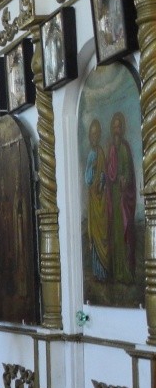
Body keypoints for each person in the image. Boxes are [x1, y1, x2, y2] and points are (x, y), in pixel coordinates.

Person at [104, 111, 137, 283]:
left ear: (122, 128)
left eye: (119, 126)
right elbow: (109, 172)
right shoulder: (111, 148)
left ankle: (126, 271)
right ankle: (116, 272)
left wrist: (126, 178)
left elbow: (129, 172)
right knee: (116, 235)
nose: (117, 129)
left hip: (123, 198)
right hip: (114, 198)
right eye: (114, 127)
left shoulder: (125, 147)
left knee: (125, 234)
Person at [84, 118, 109, 281]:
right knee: (94, 232)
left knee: (103, 233)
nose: (94, 137)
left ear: (99, 135)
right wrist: (91, 171)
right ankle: (97, 272)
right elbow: (86, 178)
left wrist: (100, 181)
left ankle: (104, 271)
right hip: (93, 200)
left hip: (101, 199)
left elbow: (104, 174)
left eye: (96, 134)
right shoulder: (91, 154)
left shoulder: (100, 152)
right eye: (91, 135)